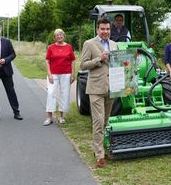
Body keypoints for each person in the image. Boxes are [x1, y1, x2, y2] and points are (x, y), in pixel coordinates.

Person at [80, 17, 118, 168]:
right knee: (98, 121)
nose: (105, 31)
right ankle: (100, 156)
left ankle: (99, 149)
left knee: (105, 121)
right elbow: (83, 65)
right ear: (97, 29)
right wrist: (99, 59)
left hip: (111, 88)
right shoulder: (89, 44)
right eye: (102, 29)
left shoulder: (114, 44)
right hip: (96, 89)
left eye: (108, 29)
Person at [0, 23, 23, 121]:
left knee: (11, 92)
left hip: (6, 71)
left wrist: (5, 60)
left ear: (0, 31)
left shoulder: (7, 42)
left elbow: (13, 54)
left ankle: (16, 112)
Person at [43, 29, 76, 126]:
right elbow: (47, 61)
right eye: (57, 35)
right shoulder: (51, 47)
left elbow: (73, 61)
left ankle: (61, 116)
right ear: (54, 37)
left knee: (64, 94)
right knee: (50, 93)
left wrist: (73, 74)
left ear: (64, 36)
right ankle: (49, 117)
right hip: (53, 74)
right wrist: (49, 74)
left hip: (66, 74)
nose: (59, 36)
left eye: (61, 34)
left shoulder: (69, 47)